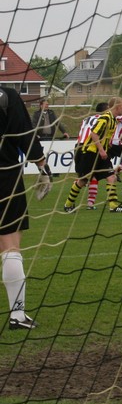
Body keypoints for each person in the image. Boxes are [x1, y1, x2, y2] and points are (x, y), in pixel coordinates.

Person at [1, 87, 51, 330]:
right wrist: (42, 166)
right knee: (10, 245)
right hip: (4, 177)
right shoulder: (7, 95)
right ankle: (17, 316)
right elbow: (25, 135)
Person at [63, 98, 122, 213]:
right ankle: (68, 204)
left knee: (111, 177)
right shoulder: (105, 118)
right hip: (90, 153)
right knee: (83, 181)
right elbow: (93, 134)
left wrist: (107, 145)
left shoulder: (113, 120)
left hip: (101, 154)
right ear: (117, 107)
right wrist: (101, 150)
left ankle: (113, 205)